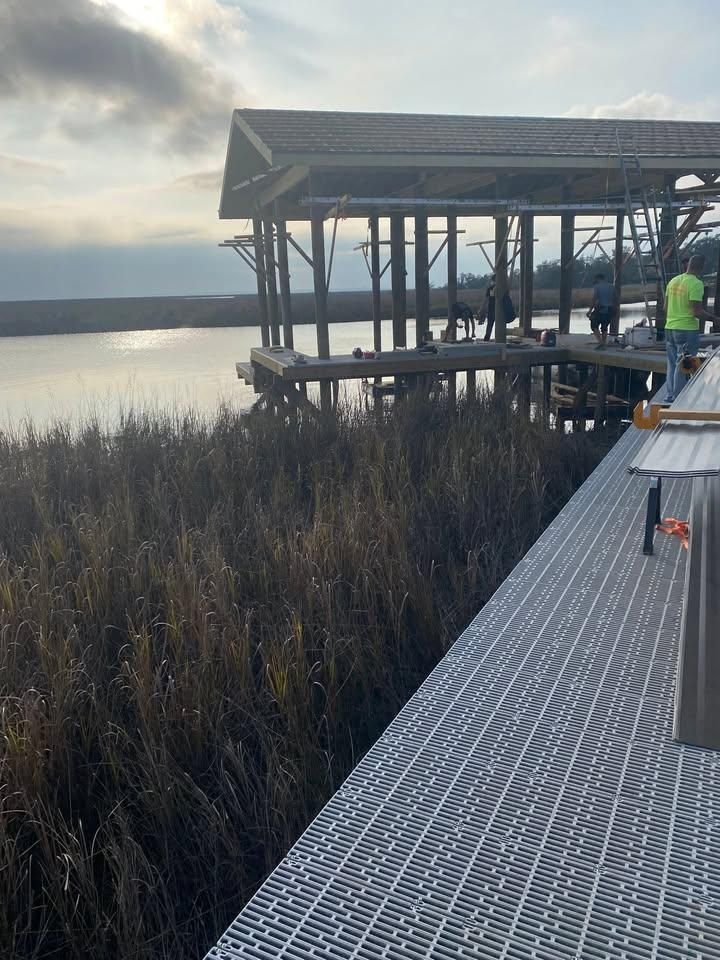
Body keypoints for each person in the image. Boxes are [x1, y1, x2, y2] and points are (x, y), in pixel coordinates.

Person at [664, 254, 717, 403]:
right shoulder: (696, 283)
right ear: (701, 267)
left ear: (688, 265)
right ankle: (678, 398)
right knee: (683, 364)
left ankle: (669, 395)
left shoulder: (673, 281)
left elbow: (665, 307)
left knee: (672, 362)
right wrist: (715, 319)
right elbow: (697, 311)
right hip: (686, 329)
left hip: (670, 327)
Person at [587, 273, 617, 347]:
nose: (594, 280)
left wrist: (590, 310)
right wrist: (615, 308)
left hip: (600, 308)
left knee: (594, 325)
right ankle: (603, 342)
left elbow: (594, 298)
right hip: (610, 309)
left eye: (595, 279)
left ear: (598, 278)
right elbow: (615, 298)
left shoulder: (597, 286)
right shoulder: (611, 286)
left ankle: (600, 342)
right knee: (604, 326)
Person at [482, 275, 496, 341]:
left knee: (489, 325)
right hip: (494, 309)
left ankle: (487, 338)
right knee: (492, 325)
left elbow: (486, 300)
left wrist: (482, 309)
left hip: (492, 309)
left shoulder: (490, 288)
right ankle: (499, 338)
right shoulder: (491, 288)